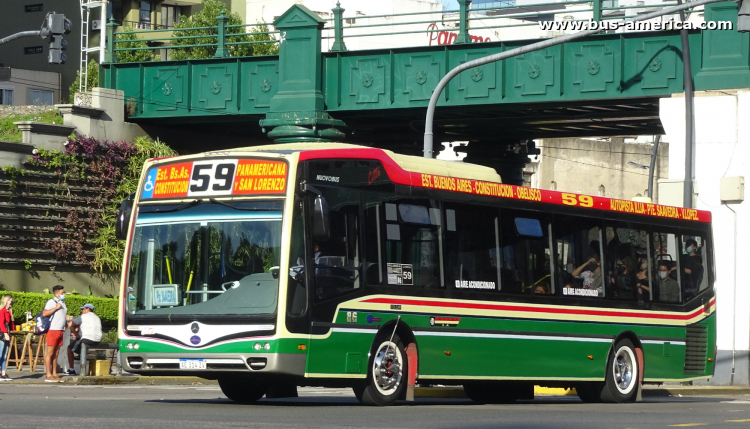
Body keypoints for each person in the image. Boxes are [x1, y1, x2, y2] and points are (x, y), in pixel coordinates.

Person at [66, 303, 102, 376]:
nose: (82, 310)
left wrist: (75, 333)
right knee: (80, 348)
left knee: (69, 349)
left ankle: (72, 369)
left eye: (83, 309)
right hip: (98, 340)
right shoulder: (97, 317)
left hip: (87, 338)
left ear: (87, 309)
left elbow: (70, 324)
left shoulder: (83, 316)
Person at [43, 285, 68, 383]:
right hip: (53, 329)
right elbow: (45, 313)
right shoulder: (51, 302)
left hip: (60, 330)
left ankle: (54, 373)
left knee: (56, 353)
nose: (64, 294)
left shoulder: (63, 303)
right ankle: (48, 374)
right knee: (50, 352)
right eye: (62, 293)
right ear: (57, 294)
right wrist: (56, 308)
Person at [0, 294, 14, 381]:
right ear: (6, 301)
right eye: (10, 300)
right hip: (1, 335)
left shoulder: (8, 312)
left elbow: (11, 324)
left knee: (4, 355)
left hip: (7, 334)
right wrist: (5, 333)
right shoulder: (2, 311)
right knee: (0, 353)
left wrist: (11, 315)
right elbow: (1, 323)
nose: (12, 302)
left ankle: (3, 372)